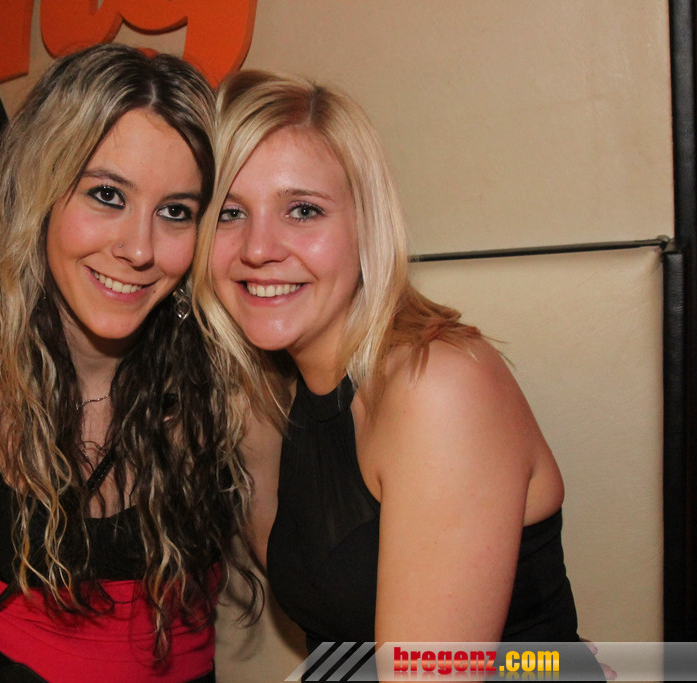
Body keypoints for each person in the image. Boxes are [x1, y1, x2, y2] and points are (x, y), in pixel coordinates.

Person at [191, 70, 604, 678]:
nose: (258, 248)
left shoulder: (437, 386)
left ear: (367, 226)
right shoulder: (267, 392)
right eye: (229, 213)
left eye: (303, 210)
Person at [0, 44, 257, 683]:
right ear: (41, 192)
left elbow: (317, 570)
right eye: (107, 194)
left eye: (175, 212)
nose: (139, 248)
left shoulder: (228, 381)